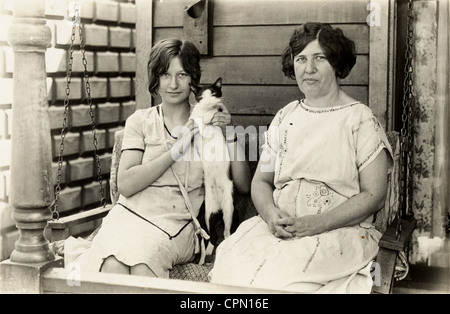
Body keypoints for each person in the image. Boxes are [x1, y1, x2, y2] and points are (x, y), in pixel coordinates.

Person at [208, 22, 393, 293]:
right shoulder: (285, 118)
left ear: (337, 63)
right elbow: (261, 181)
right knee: (229, 271)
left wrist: (315, 224)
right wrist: (271, 215)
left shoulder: (359, 119)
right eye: (301, 59)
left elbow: (374, 195)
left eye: (320, 58)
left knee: (280, 282)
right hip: (279, 230)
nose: (309, 68)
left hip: (335, 232)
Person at [65, 38, 250, 277]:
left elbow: (243, 184)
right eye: (165, 74)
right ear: (156, 78)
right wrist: (176, 150)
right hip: (129, 216)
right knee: (112, 266)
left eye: (182, 75)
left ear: (193, 78)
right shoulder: (140, 121)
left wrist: (230, 133)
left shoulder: (206, 124)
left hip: (175, 223)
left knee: (144, 264)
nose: (173, 84)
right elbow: (127, 185)